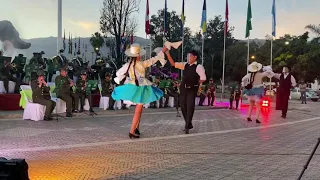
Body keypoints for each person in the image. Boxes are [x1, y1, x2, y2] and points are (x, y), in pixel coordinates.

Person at [112, 43, 167, 139]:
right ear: (138, 55)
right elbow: (153, 60)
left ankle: (136, 128)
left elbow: (118, 73)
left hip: (133, 87)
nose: (141, 56)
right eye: (140, 54)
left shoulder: (128, 65)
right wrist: (162, 51)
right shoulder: (141, 64)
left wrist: (128, 77)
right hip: (141, 88)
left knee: (139, 109)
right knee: (138, 110)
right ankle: (132, 131)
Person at [165, 50, 206, 134]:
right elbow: (173, 64)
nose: (188, 58)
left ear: (195, 57)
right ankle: (188, 123)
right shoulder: (185, 65)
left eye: (190, 56)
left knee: (190, 106)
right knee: (183, 105)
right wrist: (167, 53)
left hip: (192, 89)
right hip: (184, 88)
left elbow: (203, 78)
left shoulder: (198, 66)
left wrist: (196, 83)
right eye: (187, 56)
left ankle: (187, 126)